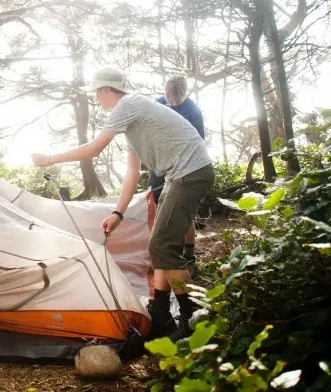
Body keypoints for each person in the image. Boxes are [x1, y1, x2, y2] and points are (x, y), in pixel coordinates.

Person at [31, 65, 214, 341]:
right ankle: (162, 315)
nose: (96, 98)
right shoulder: (132, 121)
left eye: (96, 93)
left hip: (189, 172)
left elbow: (94, 149)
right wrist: (118, 212)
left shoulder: (129, 104)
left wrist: (49, 158)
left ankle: (192, 317)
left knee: (161, 245)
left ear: (106, 89)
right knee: (160, 244)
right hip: (180, 175)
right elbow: (132, 172)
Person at [148, 76, 205, 271]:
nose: (171, 104)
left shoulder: (193, 112)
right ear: (164, 92)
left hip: (184, 165)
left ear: (185, 95)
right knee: (156, 203)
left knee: (183, 209)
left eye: (176, 101)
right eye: (168, 99)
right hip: (159, 164)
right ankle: (160, 245)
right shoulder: (156, 105)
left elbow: (199, 144)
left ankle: (189, 251)